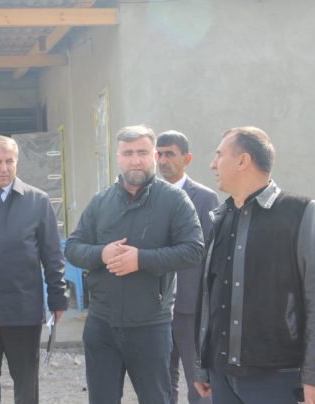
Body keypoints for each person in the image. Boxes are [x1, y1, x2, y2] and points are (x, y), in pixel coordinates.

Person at [194, 127, 315, 404]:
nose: (213, 164)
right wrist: (203, 362)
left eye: (219, 155)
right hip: (221, 376)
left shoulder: (300, 212)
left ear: (243, 161)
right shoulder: (221, 218)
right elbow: (208, 296)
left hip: (277, 378)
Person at [65, 125, 204, 404]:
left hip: (150, 325)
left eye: (142, 152)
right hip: (102, 324)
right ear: (118, 157)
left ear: (154, 156)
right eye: (128, 153)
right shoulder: (101, 201)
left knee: (156, 398)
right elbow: (73, 248)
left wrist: (141, 259)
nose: (136, 160)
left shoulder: (174, 200)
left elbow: (194, 249)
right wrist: (102, 253)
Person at [0, 135, 68, 404]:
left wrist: (58, 297)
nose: (4, 168)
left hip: (23, 310)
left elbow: (52, 255)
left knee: (26, 386)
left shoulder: (37, 201)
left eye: (10, 161)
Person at [156, 131, 219, 404]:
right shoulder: (148, 196)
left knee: (199, 381)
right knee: (161, 380)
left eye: (169, 154)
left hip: (191, 307)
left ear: (187, 158)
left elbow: (211, 255)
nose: (162, 160)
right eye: (159, 154)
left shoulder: (205, 198)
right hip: (156, 307)